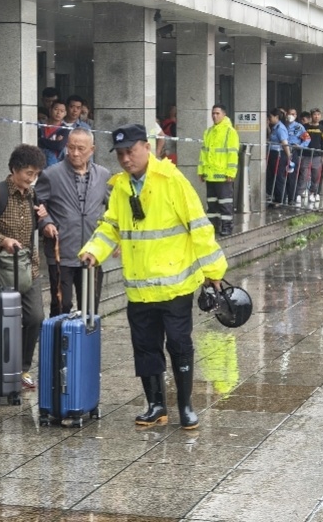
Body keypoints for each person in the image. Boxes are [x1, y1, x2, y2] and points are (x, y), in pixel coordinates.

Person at [80, 124, 226, 430]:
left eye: (130, 151)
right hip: (140, 288)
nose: (125, 159)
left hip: (175, 286)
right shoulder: (120, 186)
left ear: (147, 147)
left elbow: (199, 227)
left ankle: (185, 406)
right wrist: (94, 250)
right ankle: (156, 405)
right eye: (120, 154)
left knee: (178, 343)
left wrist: (214, 273)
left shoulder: (171, 180)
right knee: (145, 347)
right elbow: (111, 226)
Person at [0, 144, 48, 391]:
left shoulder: (32, 195)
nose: (31, 179)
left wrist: (43, 218)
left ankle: (22, 368)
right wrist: (2, 241)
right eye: (28, 173)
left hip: (27, 267)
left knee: (35, 316)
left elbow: (34, 226)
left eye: (35, 174)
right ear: (15, 169)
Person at [35, 127, 111, 317]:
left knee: (90, 307)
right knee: (62, 305)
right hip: (62, 252)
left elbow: (114, 209)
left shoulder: (103, 175)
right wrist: (46, 223)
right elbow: (36, 203)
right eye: (71, 147)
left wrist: (114, 236)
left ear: (92, 150)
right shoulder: (51, 174)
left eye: (81, 149)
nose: (75, 153)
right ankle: (59, 345)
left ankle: (86, 346)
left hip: (93, 252)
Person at [198, 104, 239, 235]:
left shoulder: (230, 132)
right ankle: (213, 227)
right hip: (210, 175)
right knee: (211, 204)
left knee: (225, 203)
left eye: (217, 113)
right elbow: (203, 154)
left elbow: (233, 154)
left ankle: (227, 227)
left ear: (224, 114)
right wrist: (201, 171)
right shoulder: (208, 132)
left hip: (223, 175)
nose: (214, 116)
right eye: (213, 113)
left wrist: (231, 173)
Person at [266, 108, 293, 205]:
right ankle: (276, 197)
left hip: (279, 155)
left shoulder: (280, 128)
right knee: (273, 176)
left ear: (276, 117)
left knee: (279, 177)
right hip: (273, 154)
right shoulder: (275, 127)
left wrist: (289, 155)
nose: (269, 119)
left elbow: (284, 143)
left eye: (270, 117)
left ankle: (280, 199)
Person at [285, 112, 310, 207]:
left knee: (292, 175)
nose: (290, 115)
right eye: (289, 113)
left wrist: (300, 146)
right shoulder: (283, 125)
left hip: (293, 152)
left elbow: (307, 139)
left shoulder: (298, 127)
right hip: (282, 151)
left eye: (293, 114)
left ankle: (292, 198)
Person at [303, 108, 323, 203]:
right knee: (303, 174)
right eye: (314, 114)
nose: (316, 116)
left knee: (315, 175)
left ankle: (313, 192)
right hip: (305, 154)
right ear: (311, 116)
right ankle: (301, 192)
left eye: (318, 114)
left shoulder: (321, 128)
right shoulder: (305, 127)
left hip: (317, 155)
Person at [38, 101, 70, 167]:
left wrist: (41, 140)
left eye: (62, 111)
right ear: (50, 110)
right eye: (56, 109)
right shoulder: (41, 126)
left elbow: (59, 146)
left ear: (65, 113)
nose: (58, 113)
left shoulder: (65, 129)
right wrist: (53, 142)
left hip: (56, 164)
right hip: (38, 161)